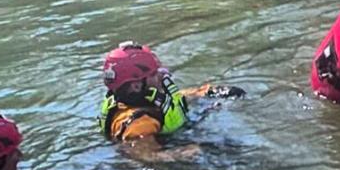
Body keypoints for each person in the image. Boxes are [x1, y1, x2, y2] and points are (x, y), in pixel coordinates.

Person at [99, 41, 244, 145]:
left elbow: (178, 98)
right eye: (154, 74)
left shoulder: (140, 100)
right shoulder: (140, 124)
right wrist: (189, 152)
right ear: (137, 86)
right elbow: (147, 157)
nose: (162, 76)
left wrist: (208, 91)